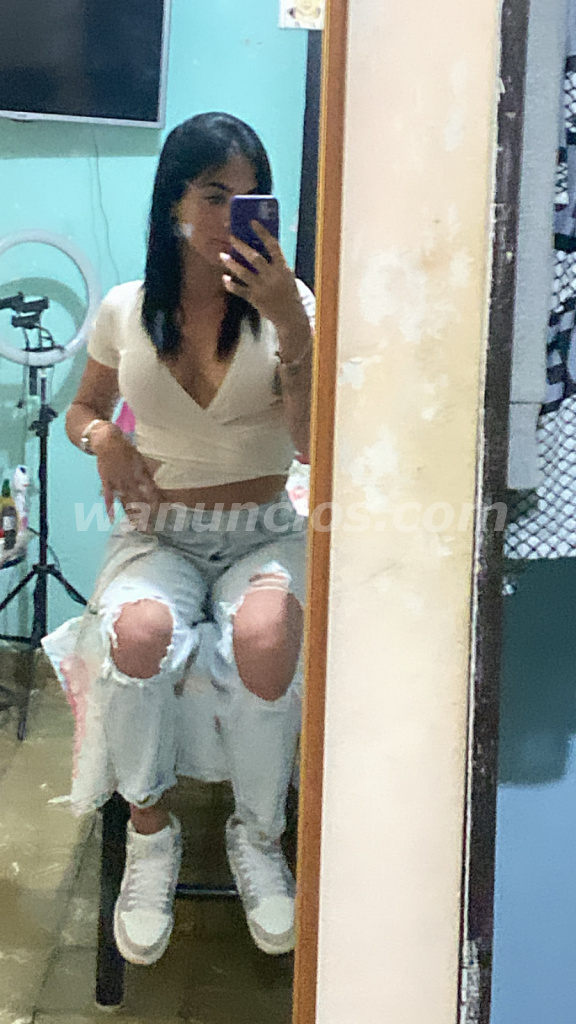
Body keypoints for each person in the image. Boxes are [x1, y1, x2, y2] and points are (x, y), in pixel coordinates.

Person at [43, 112, 314, 966]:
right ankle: (150, 830)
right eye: (213, 195)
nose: (231, 216)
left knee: (266, 637)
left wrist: (290, 323)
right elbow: (81, 409)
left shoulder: (292, 305)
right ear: (173, 204)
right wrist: (105, 438)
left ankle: (258, 833)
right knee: (137, 633)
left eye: (249, 198)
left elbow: (313, 442)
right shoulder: (126, 310)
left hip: (261, 529)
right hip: (159, 532)